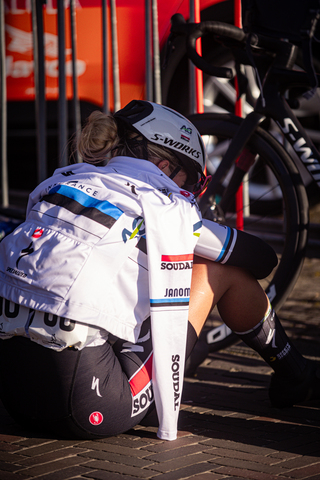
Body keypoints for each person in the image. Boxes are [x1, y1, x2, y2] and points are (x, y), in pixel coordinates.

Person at [0, 100, 318, 441]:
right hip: (93, 406)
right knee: (220, 271)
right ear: (165, 166)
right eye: (193, 180)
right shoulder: (166, 205)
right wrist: (196, 237)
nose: (193, 191)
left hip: (14, 398)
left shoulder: (59, 182)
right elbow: (263, 258)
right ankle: (295, 372)